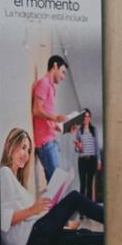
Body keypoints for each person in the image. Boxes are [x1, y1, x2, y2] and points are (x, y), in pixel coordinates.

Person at [0, 127, 103, 245]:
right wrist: (33, 209)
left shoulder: (16, 181)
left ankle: (115, 236)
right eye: (23, 147)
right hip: (30, 239)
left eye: (28, 150)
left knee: (81, 235)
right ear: (10, 145)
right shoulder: (4, 173)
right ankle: (115, 223)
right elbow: (4, 219)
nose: (26, 154)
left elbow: (26, 217)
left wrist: (39, 205)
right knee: (74, 198)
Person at [31, 53, 70, 182]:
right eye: (63, 72)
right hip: (45, 142)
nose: (63, 77)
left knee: (55, 184)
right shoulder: (44, 83)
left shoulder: (51, 88)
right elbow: (36, 110)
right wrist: (55, 118)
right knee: (56, 184)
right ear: (55, 66)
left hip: (50, 141)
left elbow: (50, 122)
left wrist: (67, 127)